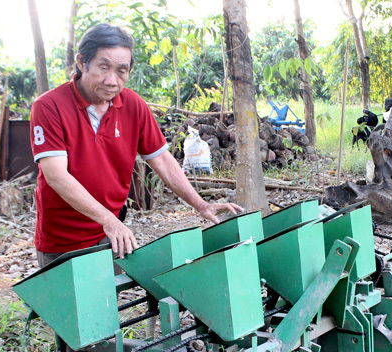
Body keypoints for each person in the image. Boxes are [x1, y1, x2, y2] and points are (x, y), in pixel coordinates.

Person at [30, 23, 243, 269]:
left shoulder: (133, 105)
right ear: (81, 62)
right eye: (103, 68)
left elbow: (162, 159)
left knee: (109, 302)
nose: (112, 80)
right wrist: (108, 220)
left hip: (112, 233)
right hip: (64, 238)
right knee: (66, 306)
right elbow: (56, 176)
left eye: (122, 71)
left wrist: (201, 204)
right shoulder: (49, 106)